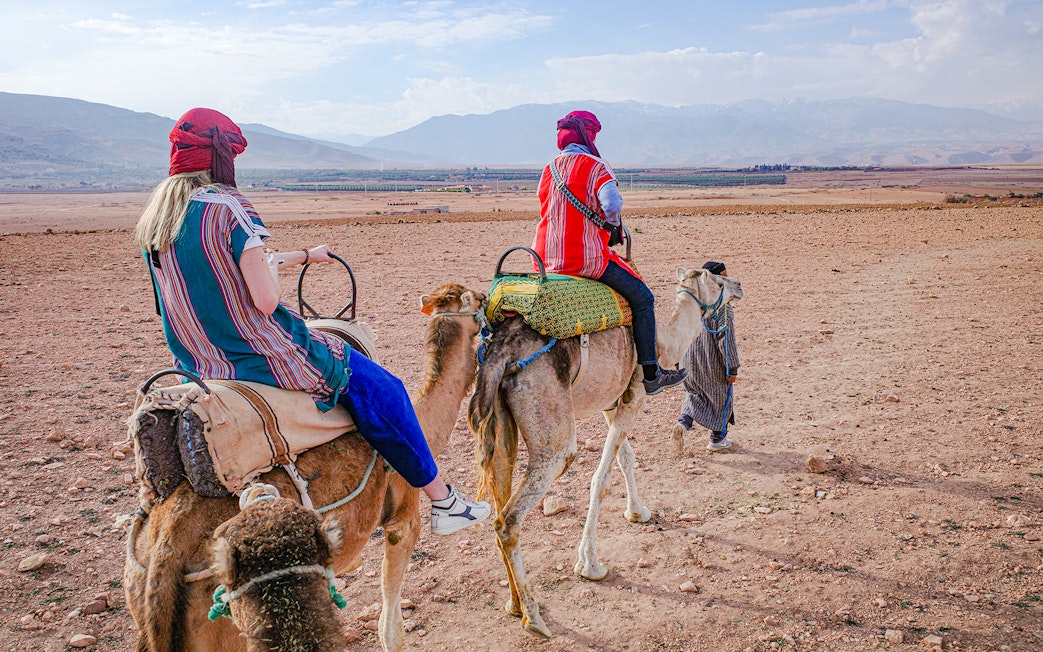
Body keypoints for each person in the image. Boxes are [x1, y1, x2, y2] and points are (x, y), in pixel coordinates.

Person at [134, 107, 489, 535]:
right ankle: (444, 501)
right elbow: (265, 300)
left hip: (200, 361)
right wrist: (270, 275)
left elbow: (210, 279)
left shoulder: (156, 220)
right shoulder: (228, 208)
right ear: (220, 158)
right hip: (259, 353)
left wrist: (302, 256)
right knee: (384, 390)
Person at [532, 110, 687, 395]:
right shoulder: (596, 166)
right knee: (643, 299)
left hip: (544, 258)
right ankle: (652, 374)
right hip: (584, 259)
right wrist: (612, 225)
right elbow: (612, 204)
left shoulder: (548, 168)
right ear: (588, 134)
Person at [674, 261, 741, 451]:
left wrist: (678, 361)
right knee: (721, 397)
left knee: (693, 395)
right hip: (712, 364)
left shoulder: (694, 303)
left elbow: (681, 331)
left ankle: (682, 425)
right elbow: (726, 341)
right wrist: (732, 368)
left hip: (688, 362)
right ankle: (717, 438)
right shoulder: (722, 307)